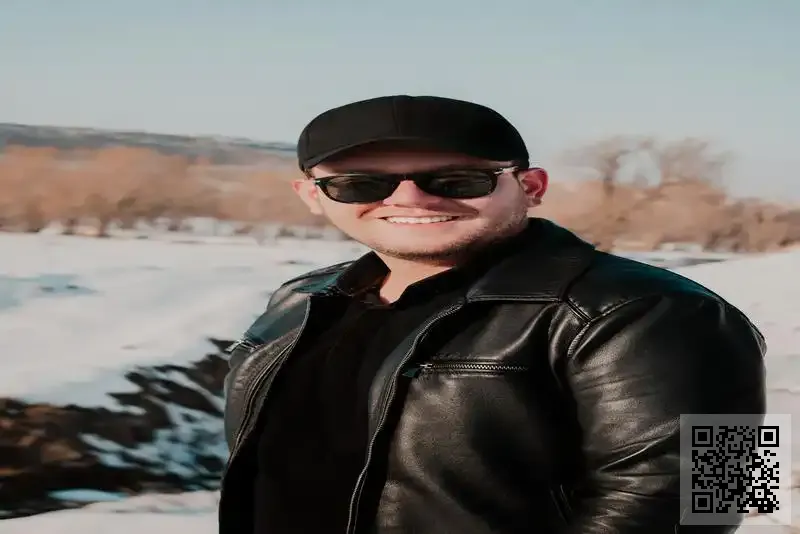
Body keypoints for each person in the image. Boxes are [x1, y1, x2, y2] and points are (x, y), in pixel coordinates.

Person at [218, 95, 766, 534]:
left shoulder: (666, 309)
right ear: (312, 195)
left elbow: (714, 496)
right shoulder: (300, 299)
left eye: (457, 181)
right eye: (361, 184)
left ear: (531, 187)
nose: (411, 200)